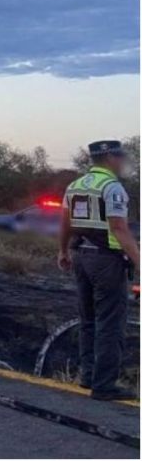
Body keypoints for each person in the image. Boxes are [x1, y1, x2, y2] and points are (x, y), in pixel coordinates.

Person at [58, 140, 140, 401]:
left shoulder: (75, 185)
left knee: (89, 319)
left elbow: (65, 222)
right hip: (106, 261)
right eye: (120, 157)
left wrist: (63, 251)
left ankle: (88, 376)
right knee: (110, 322)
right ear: (111, 159)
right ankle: (104, 385)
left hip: (81, 256)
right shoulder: (111, 187)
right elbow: (119, 228)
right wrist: (139, 261)